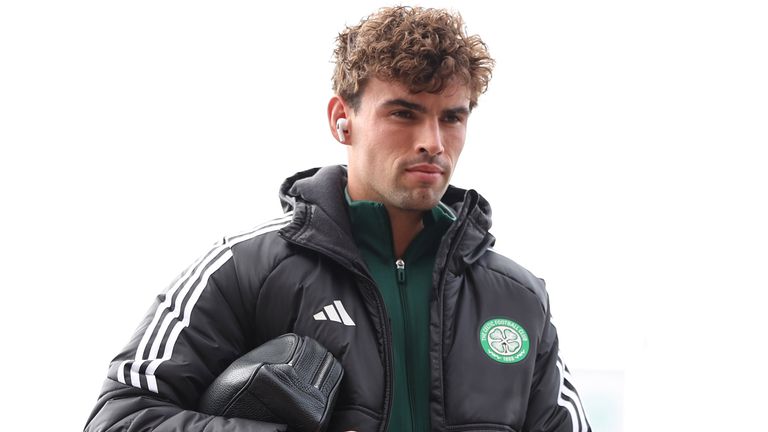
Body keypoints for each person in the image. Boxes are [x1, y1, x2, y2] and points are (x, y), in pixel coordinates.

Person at [85, 6, 590, 432]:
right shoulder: (242, 269)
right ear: (341, 119)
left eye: (452, 117)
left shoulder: (519, 299)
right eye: (404, 113)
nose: (433, 142)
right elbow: (119, 418)